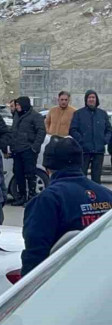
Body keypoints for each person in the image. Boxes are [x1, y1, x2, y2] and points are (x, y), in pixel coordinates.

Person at [21, 136, 112, 275]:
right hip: (101, 279)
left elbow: (35, 253)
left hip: (65, 279)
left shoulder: (47, 200)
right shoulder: (106, 195)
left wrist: (28, 291)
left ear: (47, 167)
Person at [10, 96, 47, 206]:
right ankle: (22, 196)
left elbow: (41, 132)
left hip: (28, 150)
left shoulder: (35, 116)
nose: (17, 107)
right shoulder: (17, 115)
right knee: (18, 173)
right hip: (17, 150)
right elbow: (13, 131)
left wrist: (34, 147)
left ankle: (31, 196)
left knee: (30, 174)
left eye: (18, 105)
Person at [70, 90, 112, 184]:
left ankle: (96, 197)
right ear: (86, 100)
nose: (91, 99)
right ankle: (82, 196)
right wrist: (81, 140)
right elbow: (73, 130)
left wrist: (104, 140)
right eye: (89, 97)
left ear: (96, 99)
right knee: (82, 177)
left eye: (93, 97)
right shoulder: (79, 113)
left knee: (96, 179)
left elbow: (109, 130)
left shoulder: (102, 114)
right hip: (84, 151)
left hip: (99, 151)